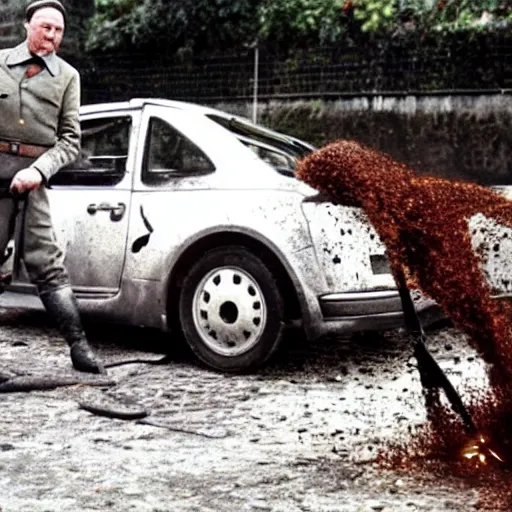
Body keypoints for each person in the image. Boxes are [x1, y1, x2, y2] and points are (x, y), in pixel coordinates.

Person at [0, 0, 104, 373]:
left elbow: (70, 141)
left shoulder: (67, 77)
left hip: (33, 183)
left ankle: (79, 347)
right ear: (27, 25)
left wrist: (39, 171)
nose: (52, 36)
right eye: (45, 27)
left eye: (58, 30)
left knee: (49, 266)